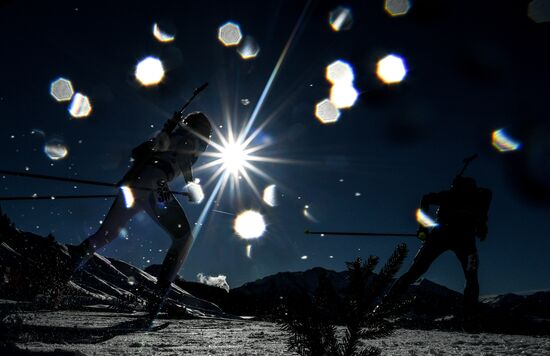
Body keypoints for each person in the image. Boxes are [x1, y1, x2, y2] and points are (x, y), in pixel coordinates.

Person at [68, 111, 212, 317]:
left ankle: (61, 271)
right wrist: (191, 185)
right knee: (184, 238)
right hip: (155, 184)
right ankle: (158, 298)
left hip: (133, 187)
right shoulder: (189, 138)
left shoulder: (170, 135)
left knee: (105, 235)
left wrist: (167, 130)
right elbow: (185, 156)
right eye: (207, 134)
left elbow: (138, 152)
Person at [382, 175, 492, 320]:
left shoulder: (451, 196)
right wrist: (482, 224)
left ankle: (383, 307)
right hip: (462, 238)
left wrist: (422, 228)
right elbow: (486, 196)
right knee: (471, 277)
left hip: (444, 235)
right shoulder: (477, 197)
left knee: (415, 271)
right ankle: (470, 317)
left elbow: (426, 198)